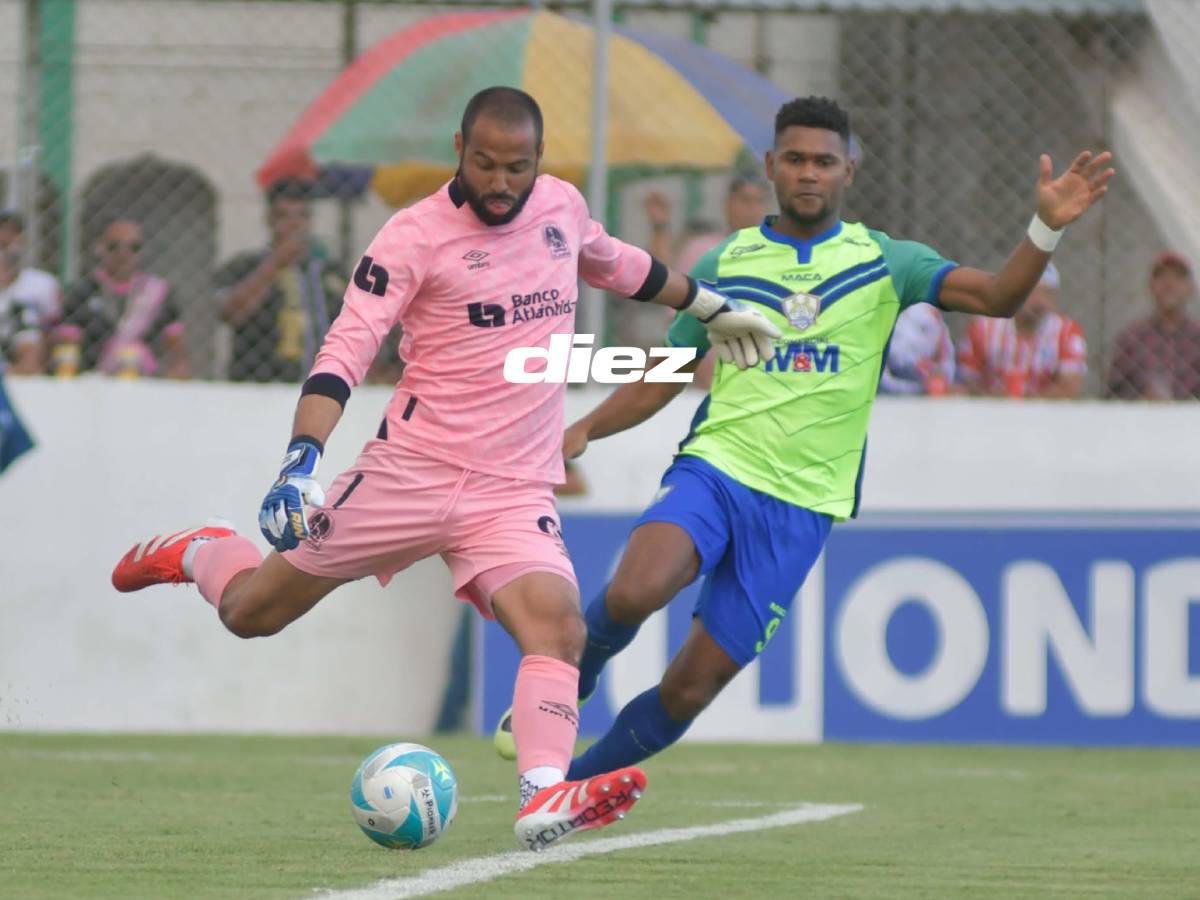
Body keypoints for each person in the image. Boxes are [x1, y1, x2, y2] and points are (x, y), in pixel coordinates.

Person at [108, 87, 778, 851]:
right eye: (486, 164)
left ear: (539, 160)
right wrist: (302, 461)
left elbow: (620, 265)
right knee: (252, 613)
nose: (500, 183)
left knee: (557, 628)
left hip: (510, 489)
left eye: (517, 168)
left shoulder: (558, 207)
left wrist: (712, 306)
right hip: (410, 474)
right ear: (460, 147)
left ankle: (542, 798)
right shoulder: (413, 237)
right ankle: (202, 550)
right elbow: (345, 351)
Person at [493, 96, 1113, 780]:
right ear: (771, 166)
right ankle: (575, 676)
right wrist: (584, 427)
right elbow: (669, 367)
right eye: (794, 159)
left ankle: (570, 793)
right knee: (634, 591)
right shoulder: (732, 260)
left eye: (823, 161)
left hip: (801, 506)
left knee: (689, 688)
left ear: (848, 169)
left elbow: (997, 297)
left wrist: (1045, 228)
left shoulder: (885, 262)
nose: (808, 174)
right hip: (717, 469)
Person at [216, 179, 347, 383]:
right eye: (283, 216)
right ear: (269, 220)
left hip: (322, 385)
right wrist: (276, 263)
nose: (294, 224)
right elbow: (230, 314)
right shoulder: (246, 265)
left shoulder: (330, 271)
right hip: (259, 384)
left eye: (301, 216)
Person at [646, 177, 770, 391]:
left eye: (758, 201)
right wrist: (660, 227)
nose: (751, 209)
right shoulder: (703, 250)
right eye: (745, 200)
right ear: (728, 204)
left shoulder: (775, 256)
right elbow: (668, 284)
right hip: (702, 377)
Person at [59, 216, 189, 378]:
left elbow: (177, 352)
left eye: (134, 247)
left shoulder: (161, 293)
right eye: (114, 247)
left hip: (146, 381)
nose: (124, 254)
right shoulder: (82, 292)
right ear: (99, 248)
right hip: (92, 382)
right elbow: (67, 346)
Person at [957, 262, 1086, 399]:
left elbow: (1069, 388)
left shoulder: (1066, 332)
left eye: (1048, 294)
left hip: (1045, 414)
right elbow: (966, 382)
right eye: (1032, 292)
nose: (1040, 301)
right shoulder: (983, 328)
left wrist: (1025, 403)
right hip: (990, 411)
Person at [1106, 250, 1200, 400]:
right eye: (1161, 276)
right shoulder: (1132, 339)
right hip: (1141, 419)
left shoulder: (1197, 337)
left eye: (1178, 277)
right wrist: (1141, 399)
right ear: (1150, 285)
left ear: (1190, 287)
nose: (1169, 284)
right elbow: (1112, 393)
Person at [0, 210, 60, 375]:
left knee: (27, 319)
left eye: (14, 233)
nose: (6, 239)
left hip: (23, 351)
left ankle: (19, 375)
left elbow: (54, 328)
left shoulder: (42, 284)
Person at [879, 302, 955, 395]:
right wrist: (920, 388)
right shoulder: (881, 312)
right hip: (894, 385)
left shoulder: (928, 310)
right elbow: (882, 380)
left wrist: (941, 377)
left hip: (928, 379)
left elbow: (945, 354)